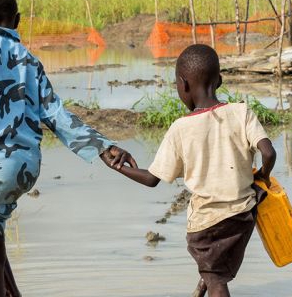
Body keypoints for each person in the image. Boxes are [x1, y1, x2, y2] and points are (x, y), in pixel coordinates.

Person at [0, 0, 136, 297]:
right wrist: (102, 147)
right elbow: (57, 115)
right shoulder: (28, 60)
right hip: (24, 168)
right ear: (17, 21)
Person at [102, 44, 277, 297]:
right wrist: (263, 175)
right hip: (243, 216)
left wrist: (116, 166)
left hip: (207, 225)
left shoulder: (180, 129)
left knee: (217, 281)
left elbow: (152, 179)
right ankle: (201, 287)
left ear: (183, 85)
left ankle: (209, 284)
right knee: (215, 269)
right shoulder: (242, 112)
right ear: (219, 80)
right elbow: (269, 153)